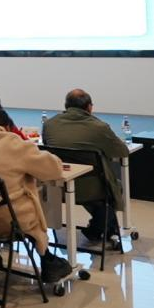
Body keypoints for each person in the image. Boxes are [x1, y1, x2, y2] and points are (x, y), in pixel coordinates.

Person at [0, 107, 72, 280]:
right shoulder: (16, 145)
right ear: (8, 126)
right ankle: (47, 260)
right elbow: (54, 170)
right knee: (28, 204)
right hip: (10, 223)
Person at [42, 89, 129, 245]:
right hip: (91, 188)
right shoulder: (99, 127)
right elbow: (122, 152)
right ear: (89, 107)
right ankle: (99, 230)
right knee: (114, 188)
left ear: (66, 106)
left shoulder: (49, 125)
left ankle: (104, 230)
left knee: (99, 196)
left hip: (58, 186)